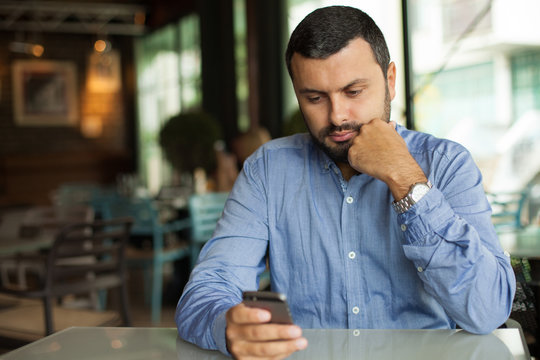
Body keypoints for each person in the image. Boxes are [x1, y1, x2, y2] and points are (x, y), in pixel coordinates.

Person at [176, 5, 516, 359]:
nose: (337, 116)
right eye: (314, 98)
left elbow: (488, 309)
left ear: (390, 81)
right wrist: (227, 327)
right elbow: (206, 291)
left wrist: (406, 180)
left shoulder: (445, 164)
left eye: (353, 92)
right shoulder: (268, 170)